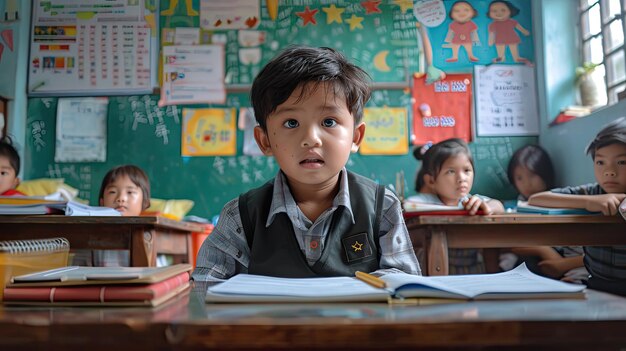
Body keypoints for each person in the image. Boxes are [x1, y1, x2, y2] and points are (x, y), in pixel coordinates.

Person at [192, 46, 421, 284]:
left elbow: (404, 283)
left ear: (355, 137)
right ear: (265, 141)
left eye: (329, 121)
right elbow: (204, 288)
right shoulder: (240, 216)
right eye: (291, 123)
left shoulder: (382, 207)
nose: (311, 138)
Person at [529, 117, 626, 295]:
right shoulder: (593, 193)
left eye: (621, 162)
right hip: (596, 284)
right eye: (600, 162)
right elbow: (537, 199)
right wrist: (589, 202)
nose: (609, 171)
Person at [411, 138, 505, 274]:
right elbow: (409, 206)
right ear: (431, 180)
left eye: (467, 170)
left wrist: (488, 206)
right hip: (434, 272)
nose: (462, 178)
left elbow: (498, 206)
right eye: (451, 171)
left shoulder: (473, 201)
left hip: (473, 272)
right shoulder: (425, 201)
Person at [504, 145, 587, 283]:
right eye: (519, 178)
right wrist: (540, 250)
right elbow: (516, 245)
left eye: (532, 176)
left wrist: (543, 250)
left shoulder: (562, 201)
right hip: (538, 260)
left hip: (562, 259)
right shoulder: (516, 206)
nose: (526, 184)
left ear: (545, 173)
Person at [91, 165, 151, 266]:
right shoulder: (89, 233)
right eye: (113, 192)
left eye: (130, 192)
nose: (121, 198)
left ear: (144, 202)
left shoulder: (150, 234)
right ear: (102, 201)